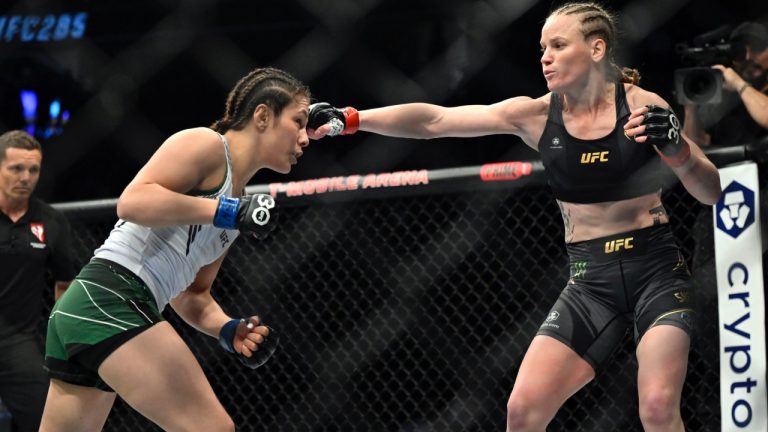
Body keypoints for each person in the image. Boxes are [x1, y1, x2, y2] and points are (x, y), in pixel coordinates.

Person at [307, 2, 721, 431]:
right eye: (543, 47)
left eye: (559, 45)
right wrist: (350, 118)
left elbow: (710, 192)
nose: (545, 57)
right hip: (589, 281)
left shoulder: (640, 107)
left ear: (597, 49)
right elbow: (435, 120)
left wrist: (679, 150)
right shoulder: (536, 115)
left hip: (655, 271)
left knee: (656, 406)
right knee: (522, 411)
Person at [38, 66, 311, 432]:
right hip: (113, 295)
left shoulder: (238, 203)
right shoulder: (206, 145)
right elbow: (133, 201)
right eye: (299, 121)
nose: (305, 138)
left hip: (92, 309)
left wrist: (228, 330)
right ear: (263, 115)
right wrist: (224, 211)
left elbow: (192, 295)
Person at [0, 130, 74, 432]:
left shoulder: (51, 221)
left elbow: (65, 284)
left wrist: (62, 341)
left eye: (33, 169)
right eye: (16, 168)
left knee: (48, 422)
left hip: (19, 341)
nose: (26, 177)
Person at [682, 20, 768, 147]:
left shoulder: (739, 85)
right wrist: (690, 108)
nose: (748, 57)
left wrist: (740, 84)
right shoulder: (722, 99)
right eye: (739, 51)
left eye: (757, 48)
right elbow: (693, 147)